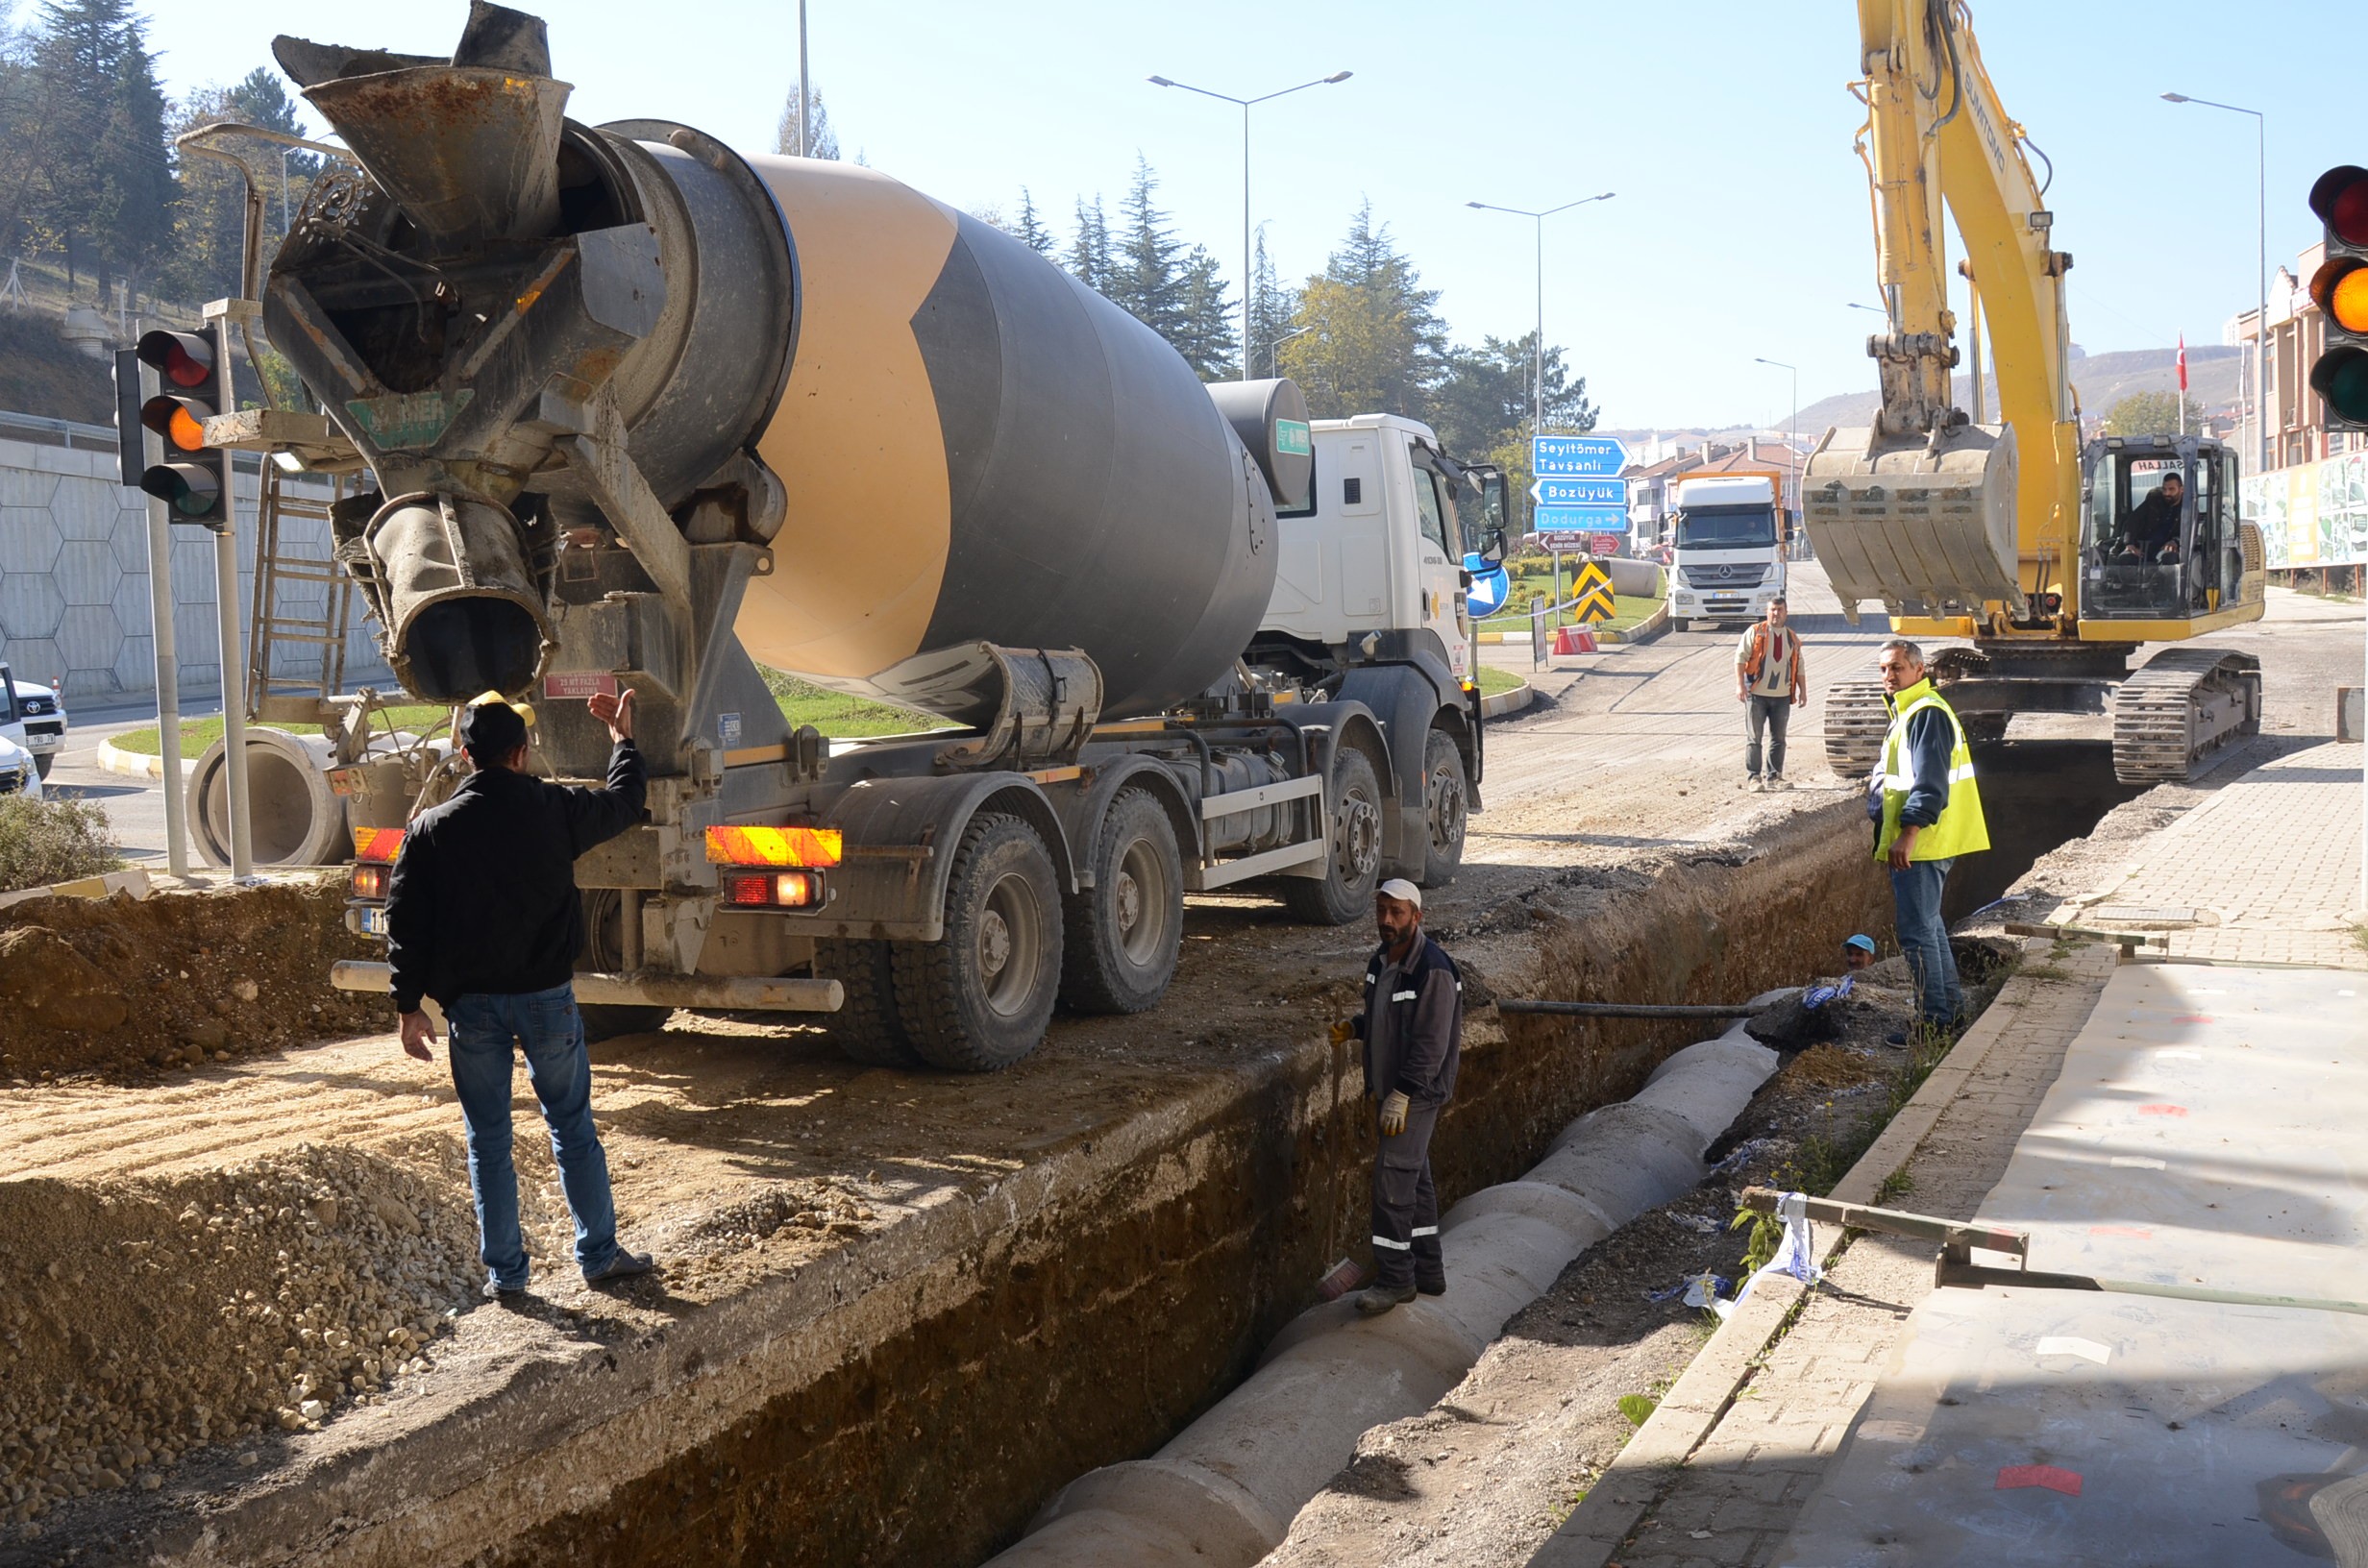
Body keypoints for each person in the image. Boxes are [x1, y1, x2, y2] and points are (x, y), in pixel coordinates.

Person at [386, 687, 656, 1295]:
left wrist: (409, 1007)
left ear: (464, 754)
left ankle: (506, 1277)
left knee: (488, 1138)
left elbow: (406, 920)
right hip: (547, 999)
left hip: (471, 1007)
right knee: (571, 1125)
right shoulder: (555, 809)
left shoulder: (430, 829)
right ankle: (599, 1255)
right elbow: (625, 802)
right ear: (521, 753)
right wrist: (623, 741)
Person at [1330, 878, 1464, 1316]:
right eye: (1382, 911)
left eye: (1397, 912)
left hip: (1417, 1092)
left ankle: (1395, 1280)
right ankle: (1428, 1272)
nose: (1387, 920)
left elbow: (1431, 1044)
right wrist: (1355, 1027)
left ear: (1417, 916)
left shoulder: (1433, 969)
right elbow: (1386, 1019)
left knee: (1392, 1179)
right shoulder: (1381, 961)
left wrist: (1402, 1095)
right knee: (1415, 1177)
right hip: (1394, 1088)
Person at [1866, 639, 1989, 1039]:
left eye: (1898, 668)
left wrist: (1909, 833)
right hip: (1930, 841)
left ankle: (1935, 1023)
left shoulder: (1925, 714)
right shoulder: (1910, 711)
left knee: (1917, 933)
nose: (1889, 676)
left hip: (1923, 842)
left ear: (1919, 670)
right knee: (1931, 927)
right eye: (1884, 669)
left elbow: (1931, 782)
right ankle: (1949, 1012)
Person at [1735, 595, 1808, 791]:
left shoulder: (1791, 638)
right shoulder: (1756, 632)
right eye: (1773, 610)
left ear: (1786, 612)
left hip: (1782, 696)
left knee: (1779, 738)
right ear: (1767, 612)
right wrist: (1740, 685)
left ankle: (1775, 777)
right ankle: (1754, 778)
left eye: (1780, 610)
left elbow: (1799, 666)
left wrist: (1803, 692)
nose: (1776, 613)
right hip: (1756, 694)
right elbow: (1740, 657)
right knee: (1754, 738)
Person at [2118, 473, 2184, 562]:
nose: (2167, 493)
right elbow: (2133, 520)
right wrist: (2129, 543)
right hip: (2143, 546)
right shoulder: (2153, 501)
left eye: (2171, 489)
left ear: (2181, 489)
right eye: (2164, 489)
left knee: (2169, 558)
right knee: (2125, 558)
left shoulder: (2188, 507)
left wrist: (2176, 541)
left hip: (2166, 548)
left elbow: (2191, 531)